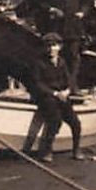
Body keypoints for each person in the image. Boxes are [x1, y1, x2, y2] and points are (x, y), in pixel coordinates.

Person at [30, 0, 87, 94]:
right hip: (54, 26)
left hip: (73, 26)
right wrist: (50, 9)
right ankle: (53, 86)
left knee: (73, 57)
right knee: (53, 56)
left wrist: (83, 12)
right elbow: (36, 0)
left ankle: (72, 86)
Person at [24, 33, 84, 162]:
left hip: (62, 95)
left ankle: (77, 149)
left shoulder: (61, 62)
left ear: (60, 47)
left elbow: (68, 80)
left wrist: (67, 91)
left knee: (75, 122)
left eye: (55, 45)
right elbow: (38, 83)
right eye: (49, 46)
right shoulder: (39, 63)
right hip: (47, 96)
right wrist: (55, 94)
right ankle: (47, 151)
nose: (52, 49)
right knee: (55, 120)